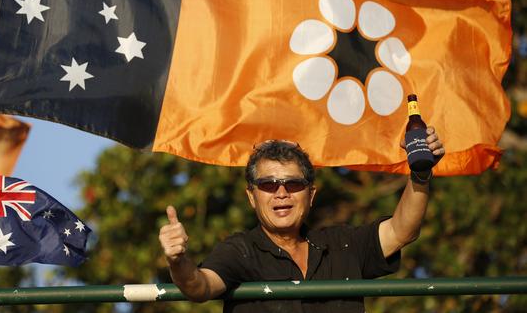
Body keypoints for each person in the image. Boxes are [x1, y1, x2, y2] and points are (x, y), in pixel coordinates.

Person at [159, 127, 445, 312]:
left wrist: (420, 173)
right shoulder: (239, 251)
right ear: (251, 197)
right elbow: (199, 286)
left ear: (311, 194)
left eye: (293, 184)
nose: (281, 193)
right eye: (268, 185)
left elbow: (402, 231)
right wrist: (177, 260)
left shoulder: (343, 244)